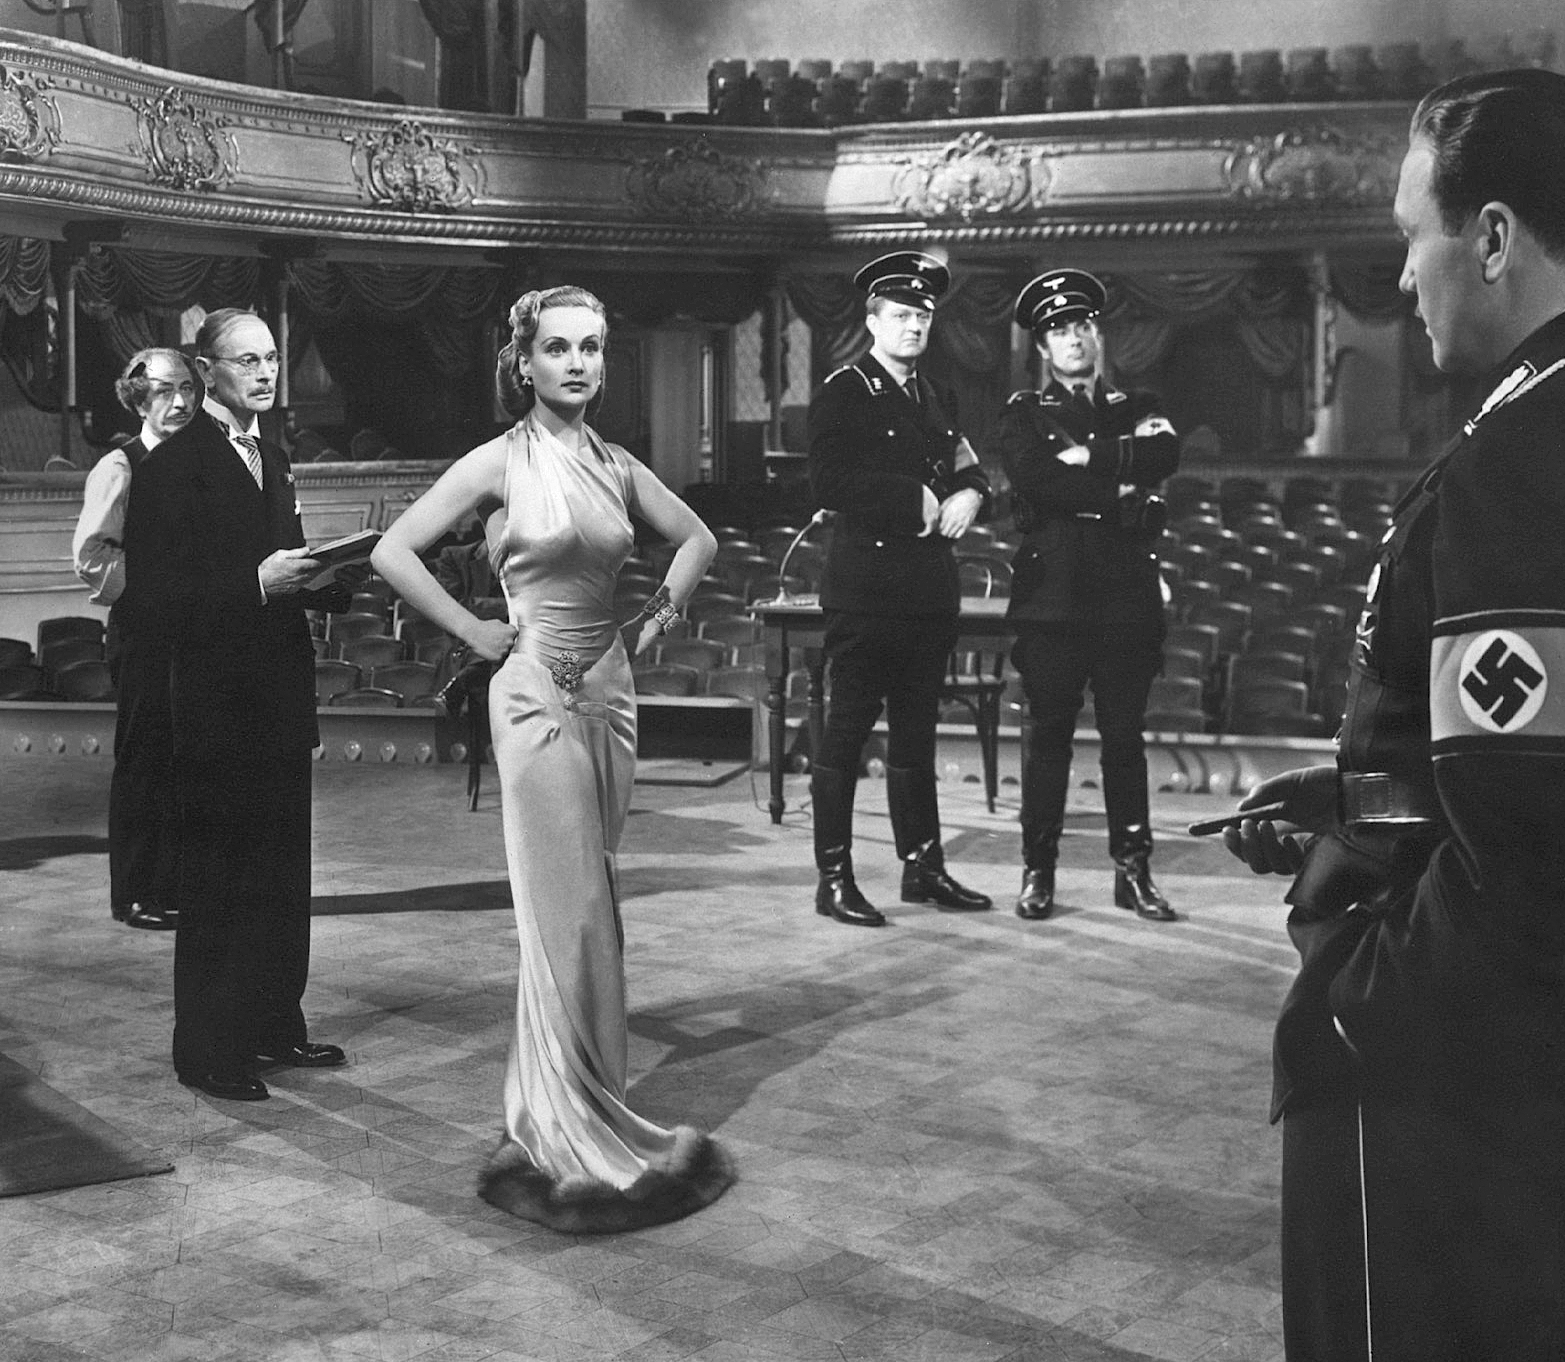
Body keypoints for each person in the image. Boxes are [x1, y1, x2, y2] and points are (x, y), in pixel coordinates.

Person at [1219, 71, 1565, 1362]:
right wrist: (1363, 795)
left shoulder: (1532, 456)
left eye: (1415, 235)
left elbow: (1533, 852)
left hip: (1460, 1102)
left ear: (1496, 236)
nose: (1406, 276)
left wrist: (1350, 1004)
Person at [372, 286, 735, 1232]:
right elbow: (392, 550)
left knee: (596, 902)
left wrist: (654, 621)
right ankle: (558, 1121)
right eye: (559, 347)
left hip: (610, 692)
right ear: (524, 362)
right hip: (531, 691)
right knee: (561, 911)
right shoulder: (498, 460)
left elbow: (696, 538)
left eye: (592, 347)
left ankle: (592, 1094)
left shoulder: (618, 466)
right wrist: (472, 631)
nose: (578, 363)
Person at [121, 309, 359, 1102]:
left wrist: (331, 578)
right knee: (220, 880)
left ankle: (273, 1025)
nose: (265, 373)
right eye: (246, 360)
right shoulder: (169, 465)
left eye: (271, 358)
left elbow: (281, 567)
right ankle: (208, 1049)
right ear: (206, 371)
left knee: (283, 874)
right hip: (215, 706)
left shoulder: (275, 456)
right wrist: (258, 583)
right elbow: (154, 600)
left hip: (279, 697)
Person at [806, 251, 994, 927]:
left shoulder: (936, 395)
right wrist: (909, 495)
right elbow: (827, 483)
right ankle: (834, 879)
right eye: (902, 315)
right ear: (872, 321)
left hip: (927, 591)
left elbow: (969, 466)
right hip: (867, 590)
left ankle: (924, 868)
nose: (914, 326)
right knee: (846, 737)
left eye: (923, 316)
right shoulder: (843, 391)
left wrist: (972, 495)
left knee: (917, 737)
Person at [994, 269, 1180, 921]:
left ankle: (1134, 871)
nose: (1073, 338)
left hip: (1126, 595)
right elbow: (1036, 481)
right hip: (1054, 599)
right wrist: (1116, 483)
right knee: (1048, 739)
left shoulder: (1139, 402)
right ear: (1043, 348)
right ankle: (1038, 871)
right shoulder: (1023, 412)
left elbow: (1165, 455)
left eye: (1081, 326)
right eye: (1058, 331)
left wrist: (1086, 458)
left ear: (1097, 336)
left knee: (1124, 739)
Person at [72, 348, 197, 931]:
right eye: (165, 392)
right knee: (145, 762)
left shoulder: (202, 462)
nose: (180, 402)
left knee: (187, 760)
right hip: (144, 633)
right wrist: (154, 589)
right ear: (139, 401)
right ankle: (136, 895)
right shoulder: (120, 466)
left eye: (188, 390)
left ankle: (175, 886)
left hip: (197, 633)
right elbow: (91, 556)